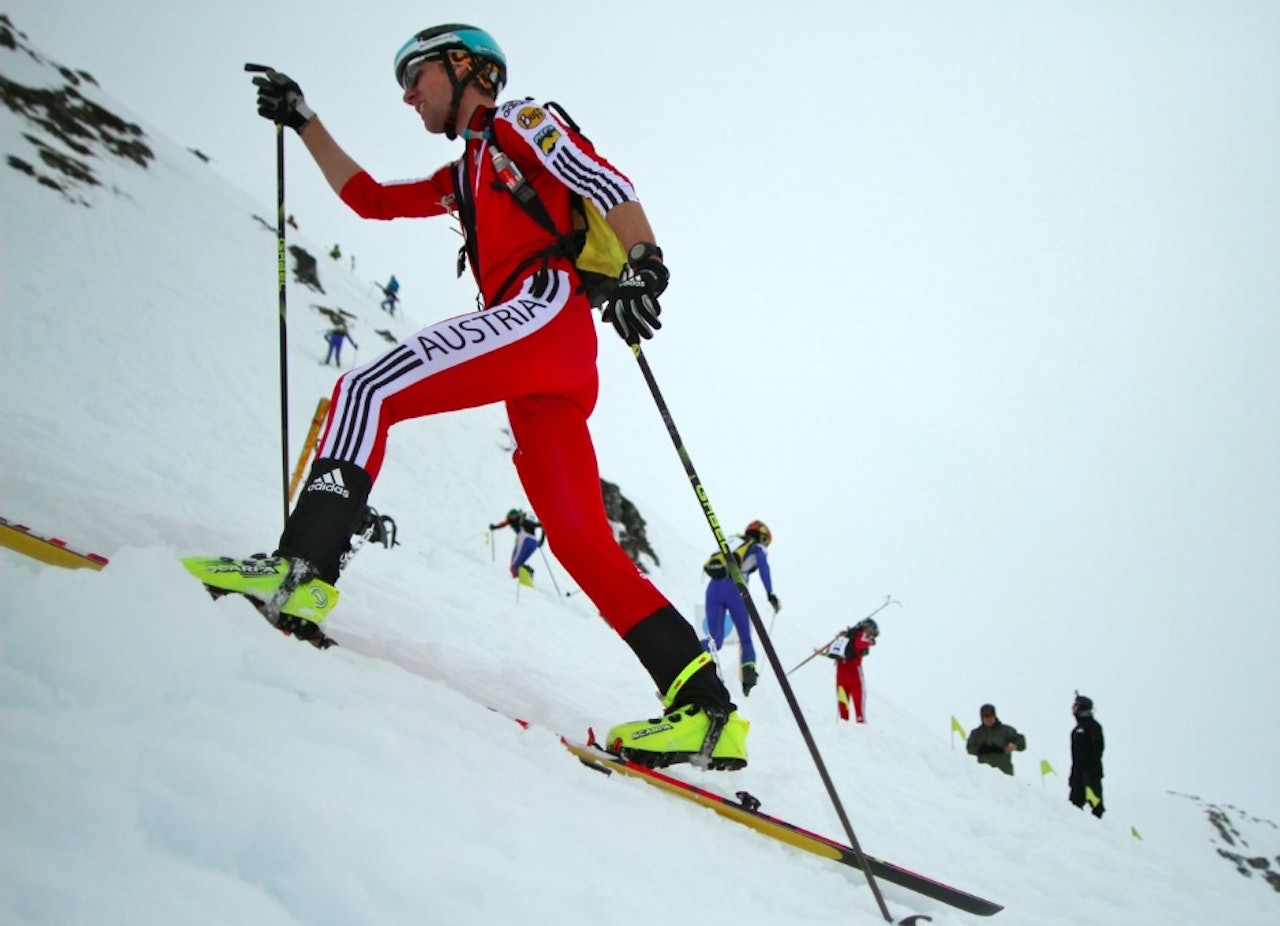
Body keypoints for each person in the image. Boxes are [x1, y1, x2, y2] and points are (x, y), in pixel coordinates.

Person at [186, 24, 746, 770]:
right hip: (548, 361)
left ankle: (300, 570)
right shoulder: (464, 174)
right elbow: (371, 201)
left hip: (543, 310)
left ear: (464, 68)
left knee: (366, 387)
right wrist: (305, 120)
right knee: (580, 541)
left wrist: (645, 263)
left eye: (416, 77)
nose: (409, 96)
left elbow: (607, 184)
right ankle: (704, 710)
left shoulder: (517, 123)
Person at [702, 520, 779, 697]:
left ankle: (688, 658)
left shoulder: (731, 540)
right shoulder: (756, 547)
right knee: (745, 637)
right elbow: (763, 567)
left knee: (715, 640)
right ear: (762, 536)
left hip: (713, 587)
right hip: (735, 588)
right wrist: (770, 594)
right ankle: (748, 678)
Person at [824, 618, 879, 723]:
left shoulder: (846, 636)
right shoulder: (859, 636)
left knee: (843, 710)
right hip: (855, 678)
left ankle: (843, 729)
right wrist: (870, 641)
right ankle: (859, 729)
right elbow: (861, 643)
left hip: (841, 677)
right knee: (859, 711)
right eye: (871, 632)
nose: (871, 635)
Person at [1069, 693, 1105, 818]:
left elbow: (1098, 748)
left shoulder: (1093, 727)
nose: (1072, 708)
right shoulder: (1076, 729)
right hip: (1077, 774)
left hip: (1091, 774)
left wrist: (1089, 770)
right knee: (1073, 806)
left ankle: (1103, 832)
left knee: (1096, 805)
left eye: (1075, 706)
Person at [966, 703, 1026, 775]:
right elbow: (970, 749)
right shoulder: (976, 734)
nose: (988, 719)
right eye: (986, 716)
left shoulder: (1006, 730)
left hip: (1005, 774)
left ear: (995, 716)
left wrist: (1015, 745)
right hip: (983, 775)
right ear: (982, 718)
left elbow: (1021, 741)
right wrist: (980, 750)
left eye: (990, 716)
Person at [489, 507, 541, 585]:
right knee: (518, 563)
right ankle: (526, 572)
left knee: (514, 566)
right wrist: (540, 542)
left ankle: (518, 581)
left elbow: (504, 523)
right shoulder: (523, 518)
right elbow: (535, 525)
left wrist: (494, 527)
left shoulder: (516, 519)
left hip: (524, 539)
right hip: (534, 542)